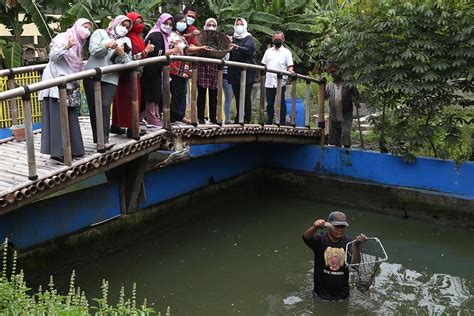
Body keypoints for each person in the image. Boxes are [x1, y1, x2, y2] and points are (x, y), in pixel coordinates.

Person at [39, 18, 93, 163]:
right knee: (58, 117)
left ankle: (75, 150)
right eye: (84, 26)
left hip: (69, 83)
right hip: (56, 82)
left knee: (71, 116)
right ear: (76, 26)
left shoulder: (80, 45)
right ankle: (58, 152)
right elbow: (53, 56)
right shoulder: (63, 37)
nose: (87, 30)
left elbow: (76, 65)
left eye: (89, 28)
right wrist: (66, 46)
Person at [84, 15, 133, 150]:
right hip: (91, 75)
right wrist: (106, 45)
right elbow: (93, 51)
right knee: (94, 108)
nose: (125, 29)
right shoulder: (100, 33)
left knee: (104, 106)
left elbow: (128, 62)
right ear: (115, 23)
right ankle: (99, 139)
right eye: (123, 24)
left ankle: (104, 140)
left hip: (111, 78)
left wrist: (121, 54)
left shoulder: (126, 40)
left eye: (127, 27)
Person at [302, 211, 367, 301]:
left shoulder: (349, 242)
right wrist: (315, 227)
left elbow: (355, 265)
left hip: (342, 296)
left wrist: (357, 245)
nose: (340, 229)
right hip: (321, 296)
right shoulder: (320, 240)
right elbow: (306, 237)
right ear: (329, 226)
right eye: (336, 226)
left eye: (342, 226)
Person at [111, 12, 155, 138]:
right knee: (130, 99)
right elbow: (132, 58)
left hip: (133, 73)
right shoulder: (127, 39)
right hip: (128, 73)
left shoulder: (137, 38)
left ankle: (117, 125)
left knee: (123, 99)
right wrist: (146, 51)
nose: (140, 25)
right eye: (136, 23)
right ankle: (131, 128)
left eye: (141, 22)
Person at [141, 13, 179, 129]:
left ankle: (154, 117)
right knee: (152, 94)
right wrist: (174, 50)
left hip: (156, 69)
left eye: (170, 24)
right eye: (165, 23)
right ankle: (152, 119)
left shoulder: (163, 36)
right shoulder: (156, 34)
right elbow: (157, 52)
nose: (167, 26)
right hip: (151, 69)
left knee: (156, 94)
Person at [261, 31, 294, 125]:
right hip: (269, 81)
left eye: (279, 38)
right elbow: (263, 65)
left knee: (281, 103)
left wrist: (290, 72)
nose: (277, 40)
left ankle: (282, 122)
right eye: (276, 38)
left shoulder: (286, 52)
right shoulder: (268, 51)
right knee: (270, 103)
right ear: (272, 39)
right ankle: (269, 121)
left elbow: (290, 66)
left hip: (280, 82)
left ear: (283, 40)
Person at [228, 18, 256, 124]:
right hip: (235, 71)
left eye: (241, 24)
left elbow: (249, 50)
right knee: (237, 95)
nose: (239, 25)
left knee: (246, 95)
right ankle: (239, 116)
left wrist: (238, 48)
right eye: (237, 24)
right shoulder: (232, 38)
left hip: (247, 72)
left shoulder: (249, 38)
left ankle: (247, 118)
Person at [326, 64, 360, 148]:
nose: (333, 74)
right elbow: (323, 96)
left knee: (345, 134)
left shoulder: (347, 84)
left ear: (339, 72)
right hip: (333, 116)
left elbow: (356, 94)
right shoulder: (329, 86)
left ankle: (347, 153)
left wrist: (356, 101)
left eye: (334, 72)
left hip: (346, 115)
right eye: (331, 72)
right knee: (335, 140)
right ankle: (337, 156)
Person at [179, 5, 200, 119]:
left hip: (185, 64)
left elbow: (192, 46)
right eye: (189, 16)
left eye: (193, 17)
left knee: (183, 91)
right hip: (172, 64)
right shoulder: (176, 25)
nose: (190, 18)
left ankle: (180, 115)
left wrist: (199, 48)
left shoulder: (193, 29)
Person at [197, 18, 219, 125]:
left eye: (213, 25)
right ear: (205, 25)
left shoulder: (219, 39)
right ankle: (200, 117)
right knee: (201, 94)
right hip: (202, 67)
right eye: (209, 24)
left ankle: (213, 118)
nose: (211, 27)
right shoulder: (200, 37)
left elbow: (222, 52)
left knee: (213, 95)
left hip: (214, 68)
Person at [223, 29, 234, 124]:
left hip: (234, 74)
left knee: (230, 96)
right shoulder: (222, 46)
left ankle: (229, 117)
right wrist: (227, 50)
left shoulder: (236, 46)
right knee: (228, 96)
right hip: (224, 74)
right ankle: (227, 118)